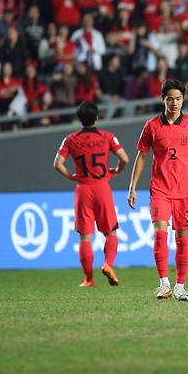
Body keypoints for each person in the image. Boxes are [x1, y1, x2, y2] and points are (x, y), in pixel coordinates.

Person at [127, 79, 188, 300]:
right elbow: (142, 156)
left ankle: (180, 285)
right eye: (170, 98)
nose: (174, 103)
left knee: (183, 238)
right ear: (163, 99)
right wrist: (132, 186)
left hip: (185, 191)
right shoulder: (152, 126)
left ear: (183, 100)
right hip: (160, 189)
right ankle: (164, 284)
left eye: (179, 98)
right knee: (160, 235)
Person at [53, 101, 129, 287]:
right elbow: (125, 159)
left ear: (78, 119)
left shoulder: (70, 139)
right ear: (97, 118)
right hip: (102, 188)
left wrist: (71, 176)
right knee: (110, 232)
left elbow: (57, 163)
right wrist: (115, 171)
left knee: (86, 237)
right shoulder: (108, 137)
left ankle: (88, 279)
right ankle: (108, 265)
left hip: (83, 189)